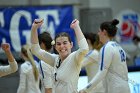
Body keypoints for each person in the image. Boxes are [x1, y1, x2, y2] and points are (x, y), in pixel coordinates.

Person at [31, 18, 89, 93]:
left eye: (65, 43)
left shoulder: (74, 58)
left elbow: (84, 48)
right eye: (58, 44)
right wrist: (34, 28)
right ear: (55, 47)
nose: (62, 46)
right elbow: (35, 50)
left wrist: (76, 27)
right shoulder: (55, 59)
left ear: (71, 45)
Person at [79, 19, 130, 93]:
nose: (98, 34)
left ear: (104, 32)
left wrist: (85, 89)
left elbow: (102, 72)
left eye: (99, 31)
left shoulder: (106, 47)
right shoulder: (119, 47)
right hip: (125, 87)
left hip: (115, 88)